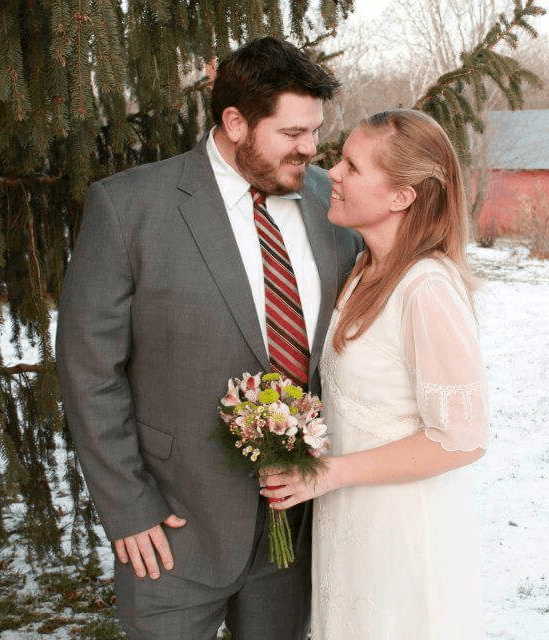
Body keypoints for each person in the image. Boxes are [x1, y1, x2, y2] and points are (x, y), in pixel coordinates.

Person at [56, 37, 361, 640]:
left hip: (295, 535)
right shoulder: (129, 206)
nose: (311, 147)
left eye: (315, 130)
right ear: (235, 123)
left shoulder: (333, 200)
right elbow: (89, 370)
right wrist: (127, 508)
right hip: (170, 531)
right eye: (292, 132)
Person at [260, 109, 490, 639]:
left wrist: (330, 473)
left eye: (352, 166)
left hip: (403, 536)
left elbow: (463, 440)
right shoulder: (364, 268)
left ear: (401, 196)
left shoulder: (426, 288)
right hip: (352, 527)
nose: (332, 173)